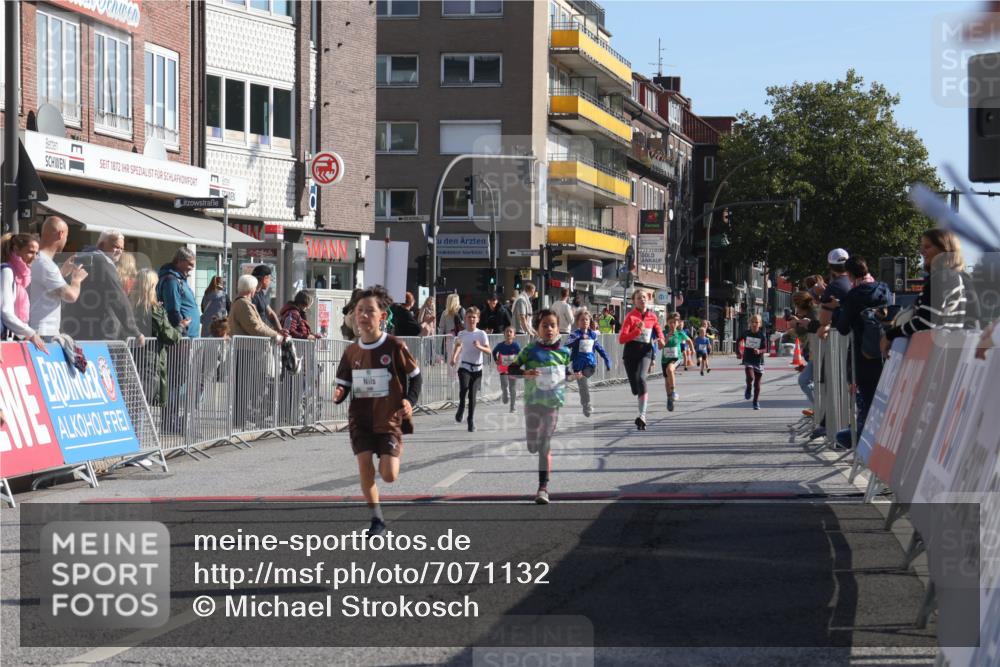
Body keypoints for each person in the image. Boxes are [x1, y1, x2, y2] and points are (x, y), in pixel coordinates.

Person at [334, 285, 421, 536]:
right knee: (364, 465)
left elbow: (416, 377)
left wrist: (409, 401)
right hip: (361, 419)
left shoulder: (394, 345)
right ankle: (377, 520)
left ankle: (390, 460)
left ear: (382, 316)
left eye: (369, 311)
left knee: (389, 475)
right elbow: (344, 382)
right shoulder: (351, 351)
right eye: (359, 310)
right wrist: (339, 394)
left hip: (389, 418)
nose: (363, 315)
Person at [507, 309, 580, 504]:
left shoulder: (564, 352)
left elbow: (567, 374)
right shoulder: (529, 350)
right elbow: (511, 370)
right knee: (533, 446)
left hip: (552, 405)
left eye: (553, 325)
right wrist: (525, 373)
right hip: (532, 403)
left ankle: (543, 488)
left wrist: (575, 376)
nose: (549, 329)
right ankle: (533, 443)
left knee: (545, 443)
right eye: (545, 325)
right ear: (537, 329)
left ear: (558, 329)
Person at [884, 229, 975, 354]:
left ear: (944, 249)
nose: (922, 252)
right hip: (943, 354)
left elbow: (926, 322)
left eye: (927, 247)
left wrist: (890, 335)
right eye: (922, 247)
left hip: (939, 357)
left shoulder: (943, 278)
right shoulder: (950, 276)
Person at [832, 256, 891, 447]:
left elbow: (842, 327)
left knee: (866, 402)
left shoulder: (853, 295)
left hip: (862, 357)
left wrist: (837, 309)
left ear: (849, 274)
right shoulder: (884, 289)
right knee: (883, 402)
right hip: (887, 354)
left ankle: (862, 446)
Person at [61, 229, 144, 342]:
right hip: (100, 332)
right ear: (101, 245)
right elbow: (118, 297)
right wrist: (135, 331)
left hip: (76, 329)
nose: (119, 251)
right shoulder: (102, 261)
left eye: (121, 248)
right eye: (115, 247)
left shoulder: (81, 257)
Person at [28, 217, 88, 342]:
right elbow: (70, 296)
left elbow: (45, 287)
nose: (66, 240)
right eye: (67, 236)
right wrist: (76, 280)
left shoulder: (37, 259)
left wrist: (61, 272)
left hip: (34, 329)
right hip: (43, 332)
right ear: (61, 234)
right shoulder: (46, 264)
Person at [131, 268, 184, 408]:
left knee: (134, 400)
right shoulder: (152, 309)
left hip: (133, 356)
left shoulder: (130, 305)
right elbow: (168, 335)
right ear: (152, 286)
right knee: (142, 402)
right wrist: (180, 327)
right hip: (150, 359)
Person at [619, 289, 665, 430]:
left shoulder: (652, 316)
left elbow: (658, 331)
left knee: (641, 379)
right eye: (639, 298)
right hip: (631, 354)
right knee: (635, 388)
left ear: (648, 299)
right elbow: (622, 339)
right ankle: (638, 393)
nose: (642, 300)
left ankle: (642, 415)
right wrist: (637, 331)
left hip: (646, 352)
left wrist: (662, 339)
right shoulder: (630, 317)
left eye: (644, 297)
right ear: (634, 301)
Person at [1, 233, 47, 351]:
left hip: (9, 340)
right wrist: (31, 334)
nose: (35, 257)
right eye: (30, 252)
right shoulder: (7, 271)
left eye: (37, 253)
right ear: (16, 250)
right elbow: (6, 312)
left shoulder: (18, 275)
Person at [449, 306, 492, 432]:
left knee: (472, 395)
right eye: (469, 317)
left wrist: (480, 347)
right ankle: (461, 406)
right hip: (464, 367)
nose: (471, 319)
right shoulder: (462, 334)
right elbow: (458, 346)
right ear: (465, 319)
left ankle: (470, 420)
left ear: (478, 319)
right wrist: (454, 357)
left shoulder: (481, 334)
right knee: (463, 390)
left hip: (477, 370)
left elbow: (489, 351)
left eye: (474, 317)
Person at [566, 309, 611, 417]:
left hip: (590, 365)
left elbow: (600, 348)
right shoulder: (575, 335)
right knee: (583, 386)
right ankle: (586, 405)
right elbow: (566, 346)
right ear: (577, 322)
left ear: (589, 321)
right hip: (577, 366)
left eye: (586, 319)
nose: (585, 322)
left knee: (584, 383)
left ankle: (587, 404)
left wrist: (607, 360)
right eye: (582, 320)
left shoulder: (593, 335)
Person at [788, 290, 821, 415]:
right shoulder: (812, 312)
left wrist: (797, 324)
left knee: (804, 381)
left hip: (818, 354)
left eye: (796, 305)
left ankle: (817, 408)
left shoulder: (813, 313)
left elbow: (813, 328)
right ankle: (816, 407)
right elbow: (804, 331)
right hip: (815, 354)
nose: (796, 308)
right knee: (810, 381)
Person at [157, 247, 201, 338]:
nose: (192, 268)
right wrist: (182, 333)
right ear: (179, 261)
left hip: (188, 337)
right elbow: (173, 311)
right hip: (182, 338)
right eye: (190, 264)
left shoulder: (179, 280)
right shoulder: (172, 281)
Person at [816, 249, 852, 340]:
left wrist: (822, 296)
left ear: (830, 266)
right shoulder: (856, 281)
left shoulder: (833, 287)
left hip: (841, 337)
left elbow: (824, 320)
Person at [737, 314, 768, 410]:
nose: (754, 324)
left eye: (757, 322)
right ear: (750, 323)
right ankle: (748, 387)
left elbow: (765, 348)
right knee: (750, 377)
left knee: (757, 384)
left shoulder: (761, 335)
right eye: (753, 322)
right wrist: (738, 352)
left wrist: (759, 351)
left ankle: (755, 402)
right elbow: (738, 340)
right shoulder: (746, 333)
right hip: (748, 359)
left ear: (760, 324)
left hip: (759, 361)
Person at [660, 313, 688, 412]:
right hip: (665, 359)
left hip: (676, 358)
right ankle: (669, 398)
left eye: (675, 322)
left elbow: (689, 340)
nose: (672, 324)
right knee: (667, 381)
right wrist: (666, 337)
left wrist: (692, 350)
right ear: (667, 322)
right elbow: (660, 347)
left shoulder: (680, 333)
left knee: (670, 369)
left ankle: (674, 392)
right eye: (670, 322)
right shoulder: (663, 333)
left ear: (678, 323)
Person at [492, 326, 521, 412]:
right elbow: (494, 352)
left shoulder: (515, 345)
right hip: (503, 368)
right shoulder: (500, 345)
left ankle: (512, 407)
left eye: (510, 332)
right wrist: (496, 360)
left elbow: (521, 354)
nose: (508, 333)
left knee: (512, 387)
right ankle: (505, 393)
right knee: (504, 385)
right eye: (507, 332)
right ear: (504, 334)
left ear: (514, 335)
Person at [251, 264, 282, 331]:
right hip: (257, 334)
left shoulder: (261, 293)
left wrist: (280, 330)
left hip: (264, 333)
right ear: (265, 279)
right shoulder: (251, 295)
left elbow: (271, 313)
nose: (270, 282)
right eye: (270, 279)